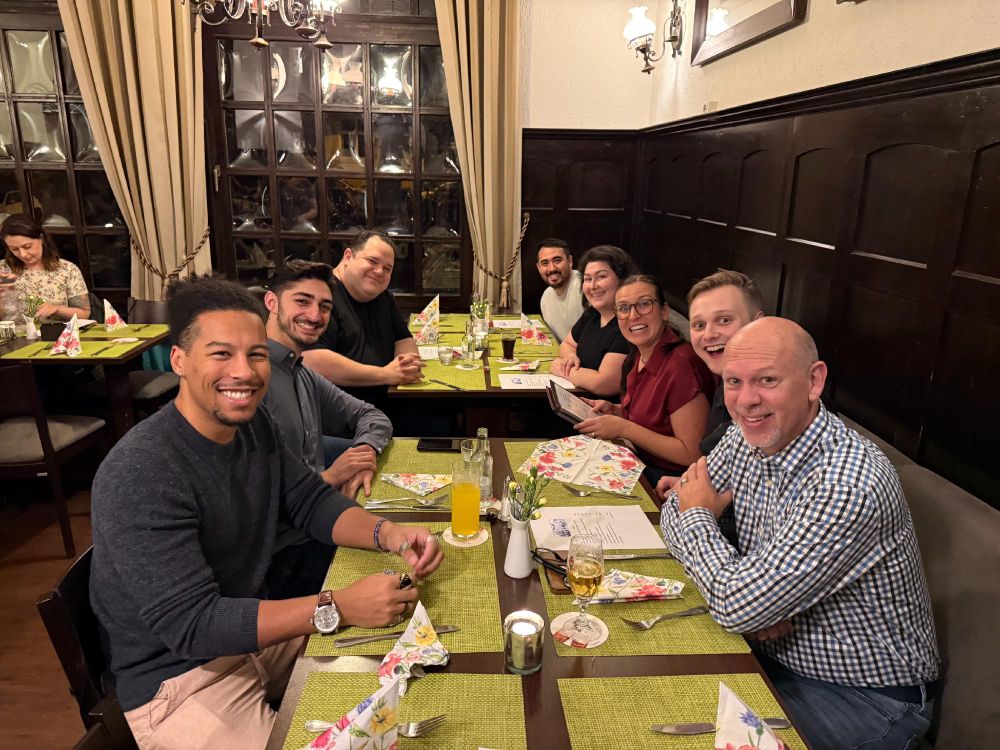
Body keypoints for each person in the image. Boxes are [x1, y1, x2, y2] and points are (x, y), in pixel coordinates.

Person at [90, 275, 443, 749]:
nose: (244, 371)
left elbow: (310, 501)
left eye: (256, 354)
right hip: (179, 680)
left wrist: (391, 534)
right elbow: (194, 625)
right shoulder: (142, 471)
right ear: (179, 360)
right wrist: (337, 605)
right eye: (221, 354)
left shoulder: (254, 424)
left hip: (254, 643)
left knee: (414, 661)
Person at [658, 317, 939, 750]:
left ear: (814, 381)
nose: (746, 400)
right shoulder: (748, 435)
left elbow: (733, 599)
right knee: (653, 692)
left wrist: (702, 522)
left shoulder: (849, 482)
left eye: (767, 380)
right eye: (734, 381)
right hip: (768, 656)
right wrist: (751, 603)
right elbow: (673, 509)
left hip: (865, 698)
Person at [262, 261, 394, 599]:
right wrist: (332, 476)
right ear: (271, 302)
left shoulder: (302, 372)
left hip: (320, 521)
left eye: (324, 306)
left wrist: (364, 450)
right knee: (400, 580)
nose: (315, 314)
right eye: (302, 301)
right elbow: (256, 507)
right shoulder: (252, 383)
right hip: (278, 557)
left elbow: (372, 415)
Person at [574, 275, 713, 485]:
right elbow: (658, 418)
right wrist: (616, 410)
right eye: (623, 308)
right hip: (636, 457)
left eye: (644, 304)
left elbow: (692, 453)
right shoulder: (639, 354)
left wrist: (623, 427)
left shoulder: (681, 365)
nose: (633, 315)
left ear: (664, 311)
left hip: (668, 479)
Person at [302, 230, 424, 401]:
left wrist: (406, 363)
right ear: (348, 257)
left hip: (387, 398)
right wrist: (385, 374)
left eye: (387, 268)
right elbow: (312, 359)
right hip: (341, 407)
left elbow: (403, 339)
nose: (379, 271)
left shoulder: (383, 296)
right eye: (372, 261)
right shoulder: (321, 296)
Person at [686, 269, 764, 455]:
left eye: (724, 320)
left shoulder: (779, 402)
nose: (709, 335)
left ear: (757, 323)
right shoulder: (725, 381)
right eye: (699, 325)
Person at [550, 245, 634, 397]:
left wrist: (560, 368)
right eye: (588, 279)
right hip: (576, 399)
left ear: (622, 280)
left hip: (605, 408)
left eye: (601, 277)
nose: (593, 286)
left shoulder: (628, 322)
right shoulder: (592, 314)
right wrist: (570, 357)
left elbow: (603, 384)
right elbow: (567, 344)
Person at [0, 212, 90, 321]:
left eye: (27, 246)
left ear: (41, 238)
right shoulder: (3, 270)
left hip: (56, 331)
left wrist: (56, 309)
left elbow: (84, 313)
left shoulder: (67, 269)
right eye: (14, 249)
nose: (23, 254)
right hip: (13, 332)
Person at [535, 238, 583, 342]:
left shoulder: (585, 286)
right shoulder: (546, 297)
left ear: (570, 261)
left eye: (557, 261)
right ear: (538, 268)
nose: (552, 268)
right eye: (545, 263)